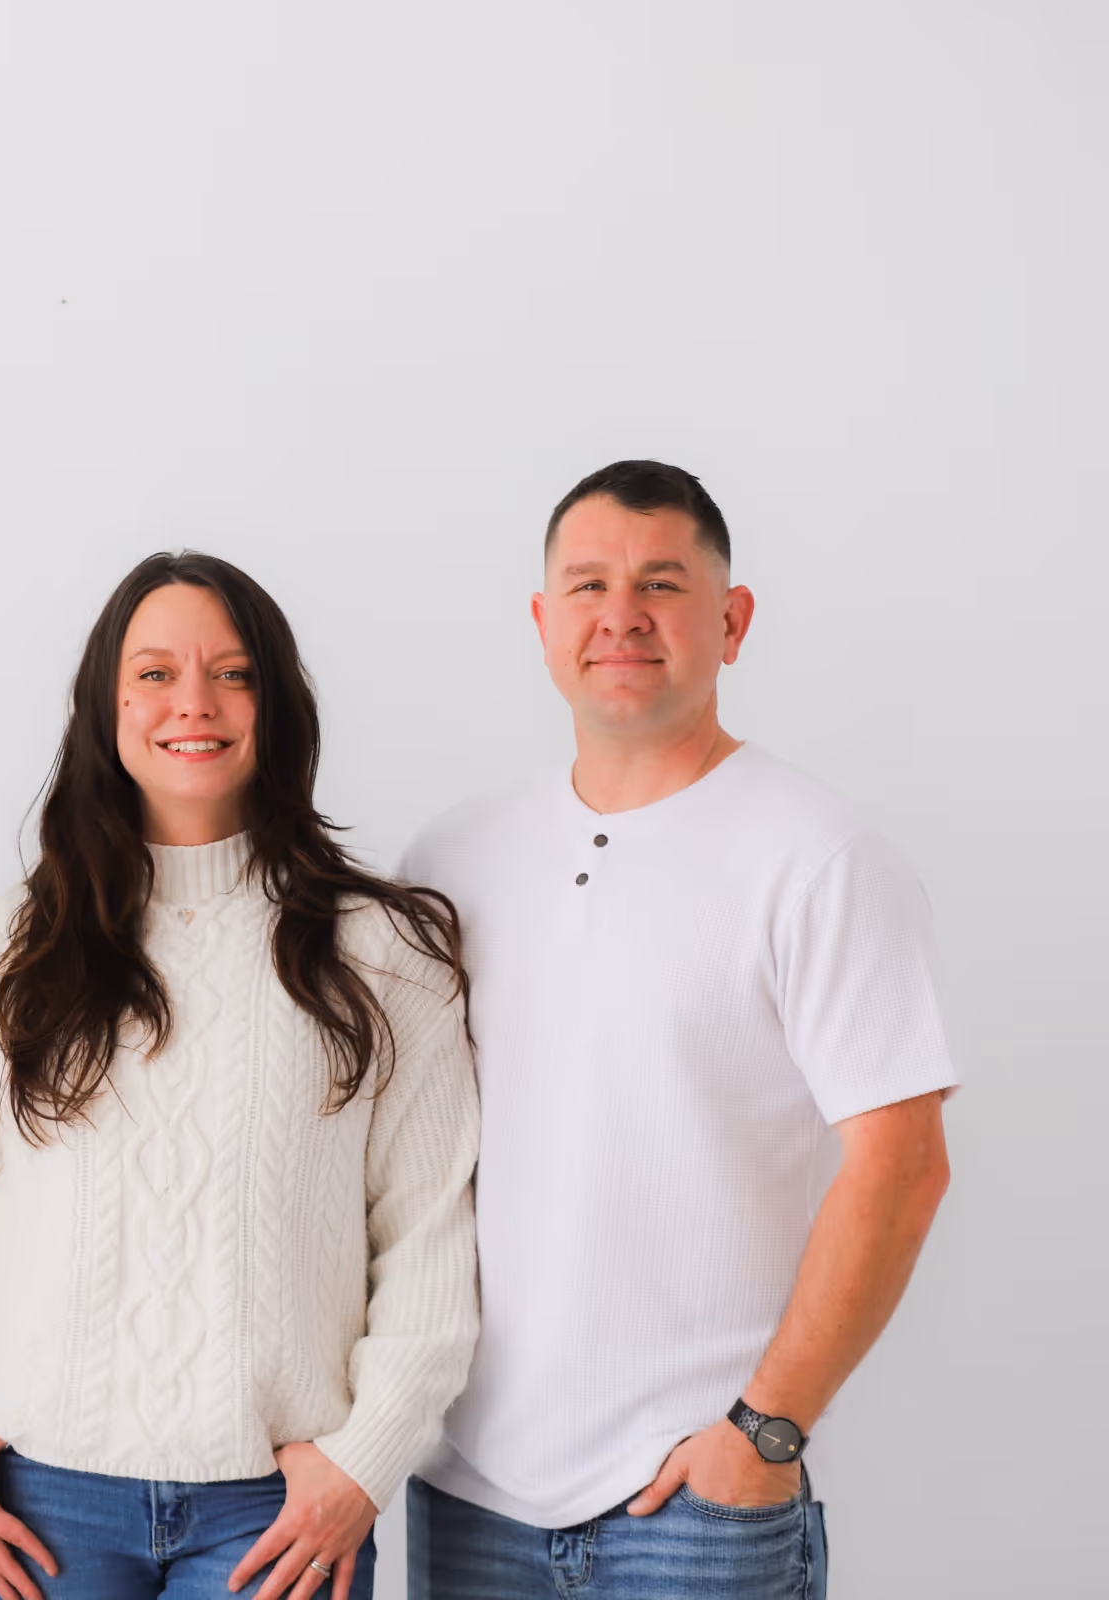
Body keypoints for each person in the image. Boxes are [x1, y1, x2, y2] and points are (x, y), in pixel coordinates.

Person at [0, 552, 481, 1600]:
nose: (192, 701)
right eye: (153, 672)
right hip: (43, 1504)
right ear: (106, 703)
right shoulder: (7, 949)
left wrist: (364, 1459)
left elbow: (428, 1236)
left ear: (275, 704)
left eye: (232, 673)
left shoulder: (383, 951)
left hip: (279, 1512)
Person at [400, 461, 956, 1599]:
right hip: (468, 1494)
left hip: (698, 1502)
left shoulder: (819, 856)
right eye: (590, 584)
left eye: (662, 582)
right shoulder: (450, 860)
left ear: (732, 621)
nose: (622, 614)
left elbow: (901, 1166)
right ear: (544, 622)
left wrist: (766, 1433)